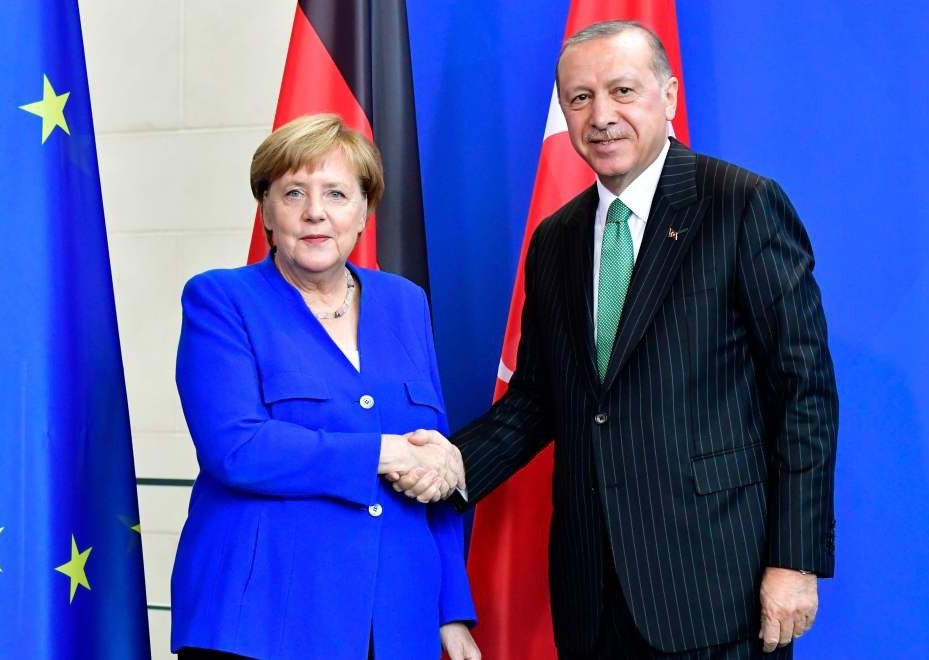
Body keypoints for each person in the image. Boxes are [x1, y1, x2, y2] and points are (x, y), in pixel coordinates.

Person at [393, 20, 838, 659]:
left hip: (718, 585)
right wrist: (452, 464)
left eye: (622, 90)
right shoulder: (556, 240)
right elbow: (537, 400)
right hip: (592, 592)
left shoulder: (741, 205)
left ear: (668, 95)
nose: (601, 116)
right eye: (580, 98)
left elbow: (805, 394)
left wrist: (794, 560)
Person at [171, 113, 479, 660]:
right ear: (266, 210)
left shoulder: (405, 303)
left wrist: (450, 609)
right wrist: (382, 452)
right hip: (262, 619)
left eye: (336, 193)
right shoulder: (221, 300)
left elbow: (433, 459)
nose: (315, 211)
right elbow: (236, 448)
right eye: (294, 192)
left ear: (364, 211)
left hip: (395, 619)